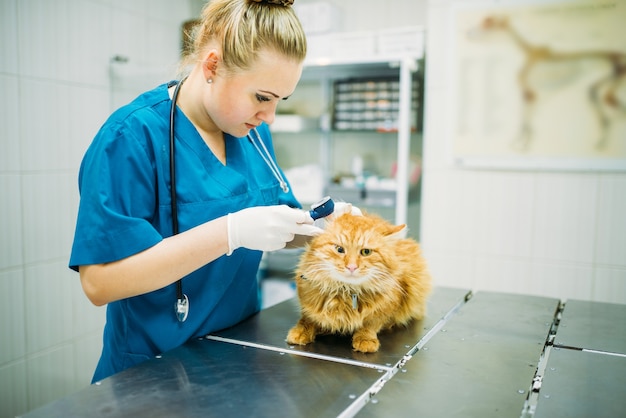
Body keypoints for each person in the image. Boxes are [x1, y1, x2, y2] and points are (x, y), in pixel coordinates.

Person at [70, 0, 354, 383]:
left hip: (238, 361)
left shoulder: (252, 133)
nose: (269, 116)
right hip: (153, 374)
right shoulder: (131, 137)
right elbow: (99, 283)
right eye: (262, 97)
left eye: (279, 101)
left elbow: (273, 225)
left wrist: (320, 228)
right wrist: (229, 233)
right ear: (212, 66)